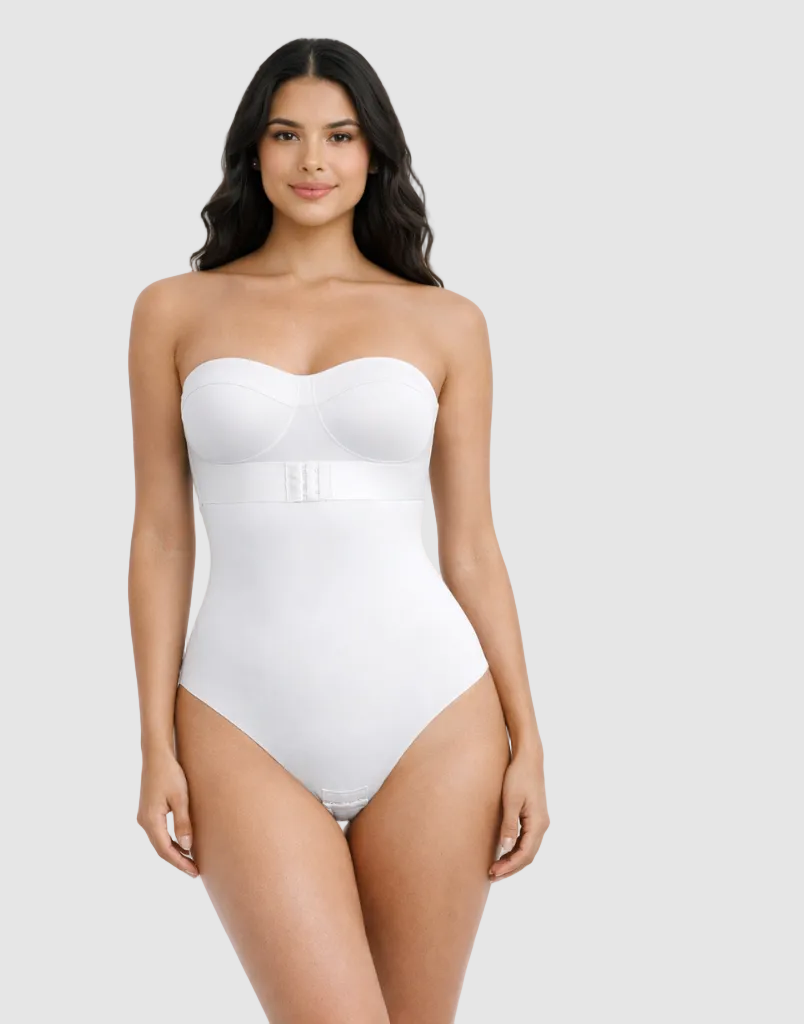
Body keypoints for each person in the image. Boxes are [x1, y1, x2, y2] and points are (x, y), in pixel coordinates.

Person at [128, 36, 549, 1024]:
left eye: (339, 135)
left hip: (434, 716)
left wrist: (528, 738)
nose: (312, 160)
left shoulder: (447, 323)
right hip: (238, 719)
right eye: (286, 135)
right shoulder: (171, 311)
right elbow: (160, 538)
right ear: (253, 151)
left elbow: (472, 547)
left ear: (374, 154)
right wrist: (153, 743)